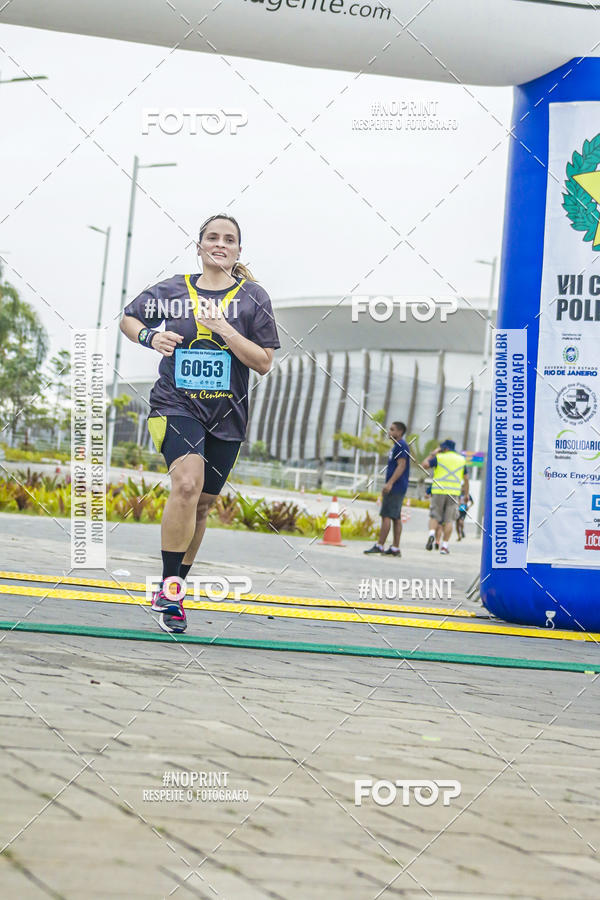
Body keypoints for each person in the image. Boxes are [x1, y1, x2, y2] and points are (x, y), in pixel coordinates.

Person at [120, 214, 280, 633]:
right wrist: (149, 338)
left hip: (227, 414)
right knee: (186, 484)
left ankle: (176, 586)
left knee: (204, 504)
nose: (220, 244)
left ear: (238, 251)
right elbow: (128, 318)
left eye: (229, 239)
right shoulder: (173, 290)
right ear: (199, 245)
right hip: (175, 404)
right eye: (213, 237)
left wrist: (223, 327)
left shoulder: (253, 299)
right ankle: (170, 591)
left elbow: (263, 362)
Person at [364, 421, 410, 558]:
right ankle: (395, 548)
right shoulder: (397, 446)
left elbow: (401, 466)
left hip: (396, 487)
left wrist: (390, 483)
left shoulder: (401, 445)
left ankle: (380, 545)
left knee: (386, 516)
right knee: (395, 517)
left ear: (400, 432)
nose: (389, 432)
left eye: (392, 429)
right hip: (398, 486)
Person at [421, 439, 468, 555]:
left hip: (438, 491)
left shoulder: (439, 457)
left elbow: (424, 465)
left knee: (434, 516)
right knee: (449, 520)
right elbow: (466, 479)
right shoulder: (461, 460)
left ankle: (432, 534)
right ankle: (445, 546)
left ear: (445, 448)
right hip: (454, 493)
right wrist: (466, 494)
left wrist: (433, 454)